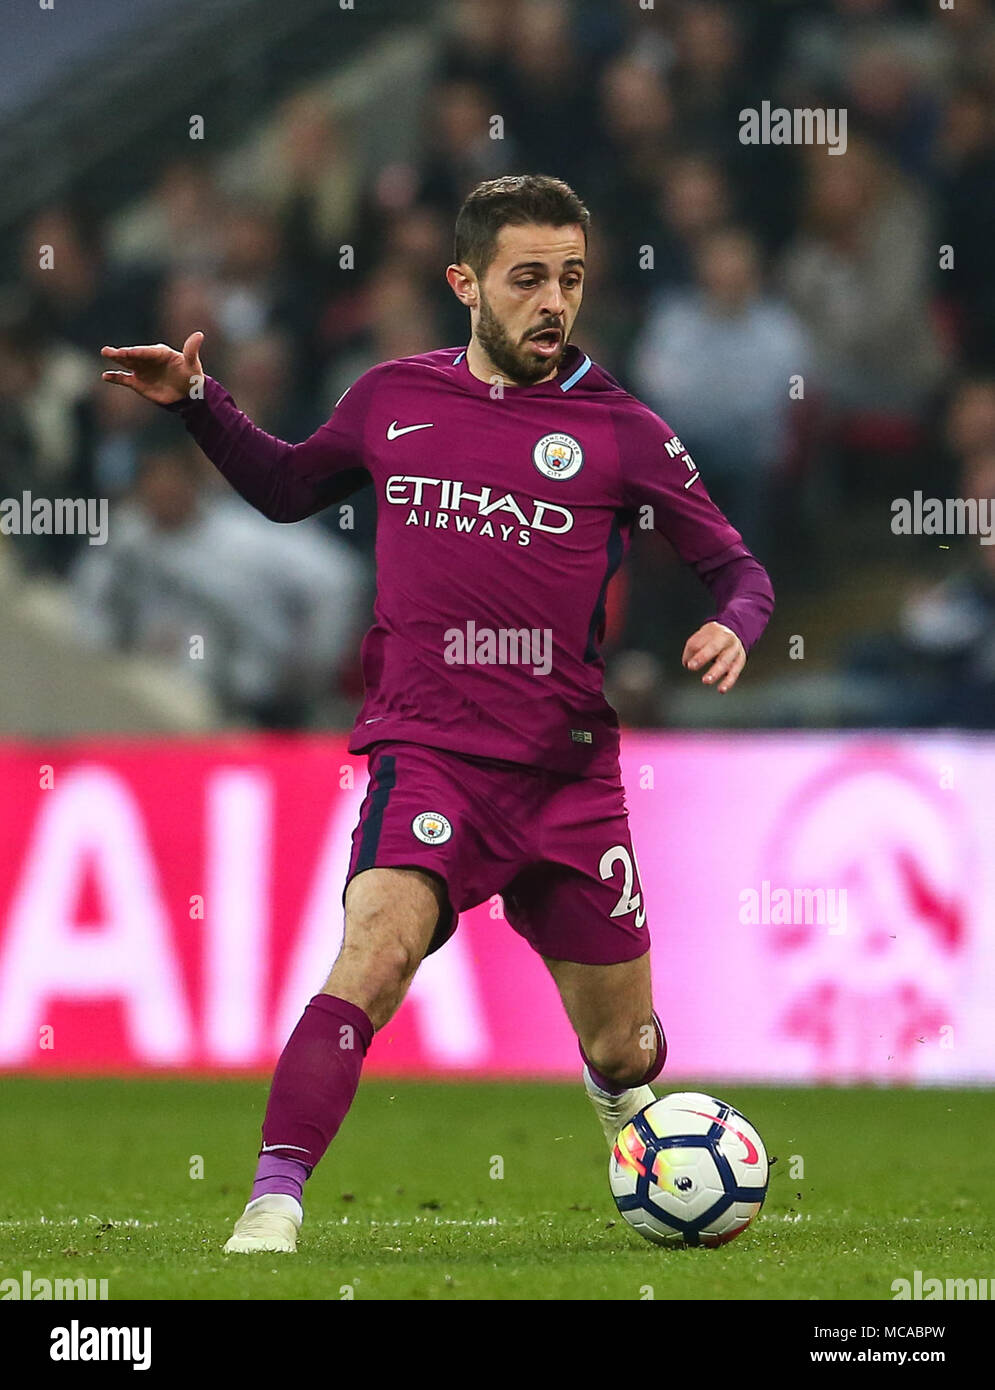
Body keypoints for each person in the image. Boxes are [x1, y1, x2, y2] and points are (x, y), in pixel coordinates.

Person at [99, 174, 774, 1254]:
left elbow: (736, 566)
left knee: (625, 1047)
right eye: (526, 279)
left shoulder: (619, 430)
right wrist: (197, 403)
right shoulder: (388, 399)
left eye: (569, 278)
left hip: (566, 777)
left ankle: (621, 1114)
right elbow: (285, 487)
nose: (552, 300)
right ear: (464, 283)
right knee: (373, 952)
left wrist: (735, 623)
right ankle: (272, 1202)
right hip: (430, 754)